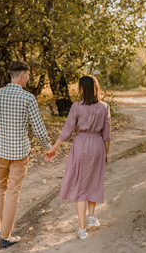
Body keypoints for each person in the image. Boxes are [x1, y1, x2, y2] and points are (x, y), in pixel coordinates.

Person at [0, 61, 52, 248]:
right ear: (22, 75)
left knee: (0, 188)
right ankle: (5, 237)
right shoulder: (28, 98)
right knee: (13, 192)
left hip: (1, 151)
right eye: (28, 75)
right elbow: (38, 128)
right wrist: (47, 147)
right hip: (20, 153)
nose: (29, 78)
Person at [45, 75, 111, 240]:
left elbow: (66, 131)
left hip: (81, 145)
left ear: (83, 89)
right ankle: (91, 217)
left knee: (81, 185)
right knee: (94, 180)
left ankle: (82, 230)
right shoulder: (104, 107)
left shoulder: (76, 107)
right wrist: (106, 153)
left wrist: (53, 149)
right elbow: (107, 135)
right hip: (97, 145)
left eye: (79, 87)